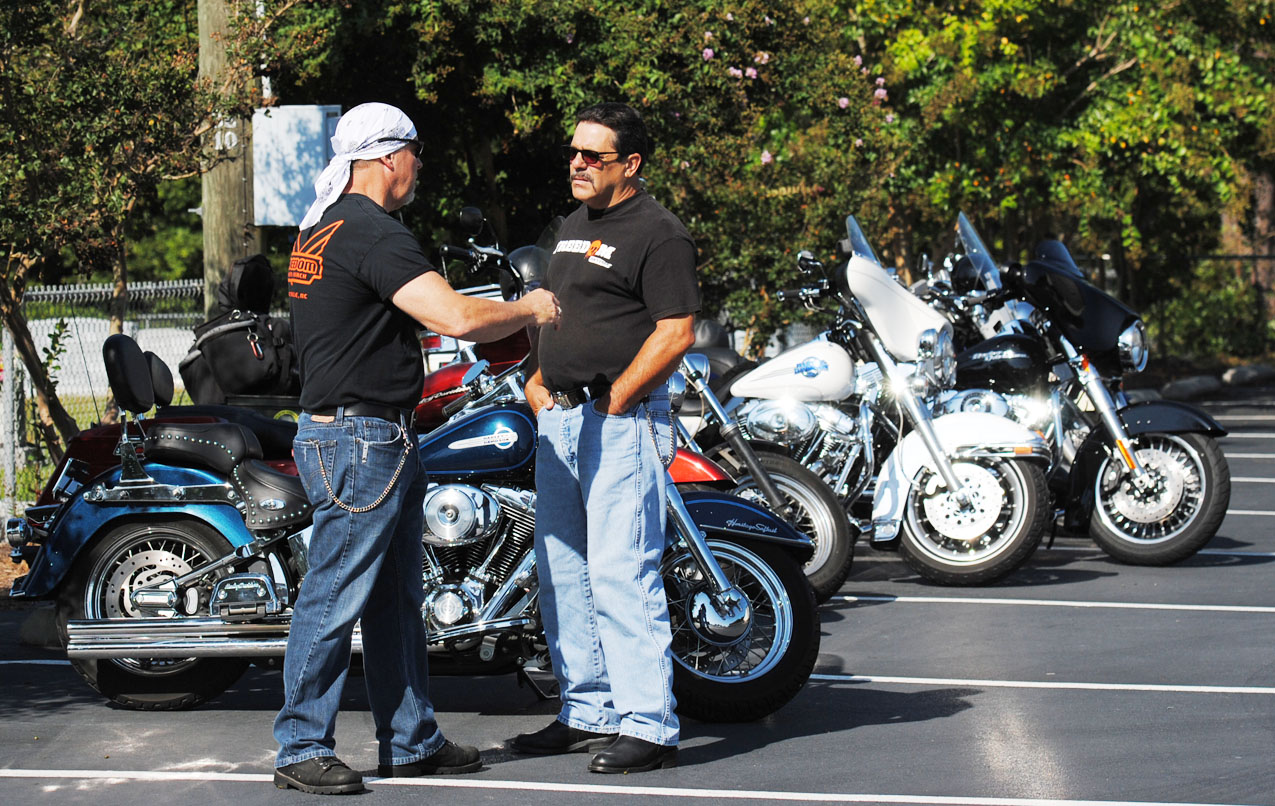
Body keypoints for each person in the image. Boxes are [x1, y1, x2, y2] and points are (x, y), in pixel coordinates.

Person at [273, 102, 561, 795]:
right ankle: (300, 747)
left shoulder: (322, 229)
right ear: (386, 156)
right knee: (333, 596)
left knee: (396, 600)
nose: (419, 166)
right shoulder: (374, 232)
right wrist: (531, 308)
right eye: (415, 152)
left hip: (367, 434)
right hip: (360, 439)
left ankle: (410, 740)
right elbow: (455, 315)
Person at [513, 102, 699, 774]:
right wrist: (537, 381)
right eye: (574, 152)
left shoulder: (659, 233)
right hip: (561, 418)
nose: (578, 164)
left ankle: (648, 725)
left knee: (622, 572)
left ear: (631, 164)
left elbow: (676, 332)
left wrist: (616, 400)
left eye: (593, 155)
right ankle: (587, 710)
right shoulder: (572, 225)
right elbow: (563, 315)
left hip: (619, 421)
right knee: (564, 571)